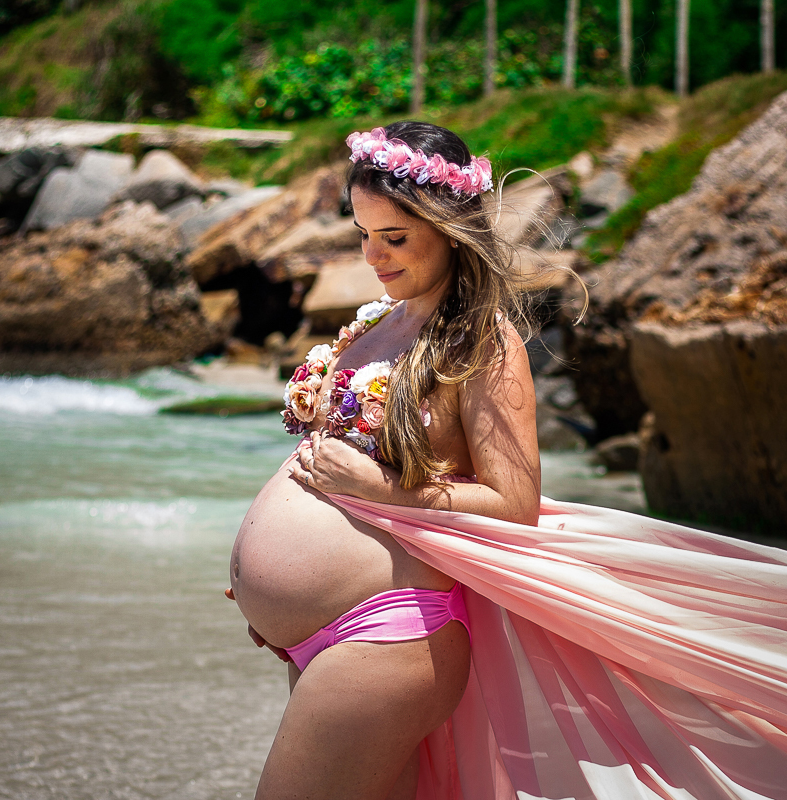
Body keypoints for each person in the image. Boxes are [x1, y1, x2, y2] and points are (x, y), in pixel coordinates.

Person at [226, 121, 787, 799]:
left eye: (395, 238)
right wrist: (275, 594)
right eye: (362, 233)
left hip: (383, 635)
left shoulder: (482, 345)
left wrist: (382, 491)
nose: (374, 255)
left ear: (451, 228)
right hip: (325, 635)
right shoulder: (380, 319)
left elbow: (513, 507)